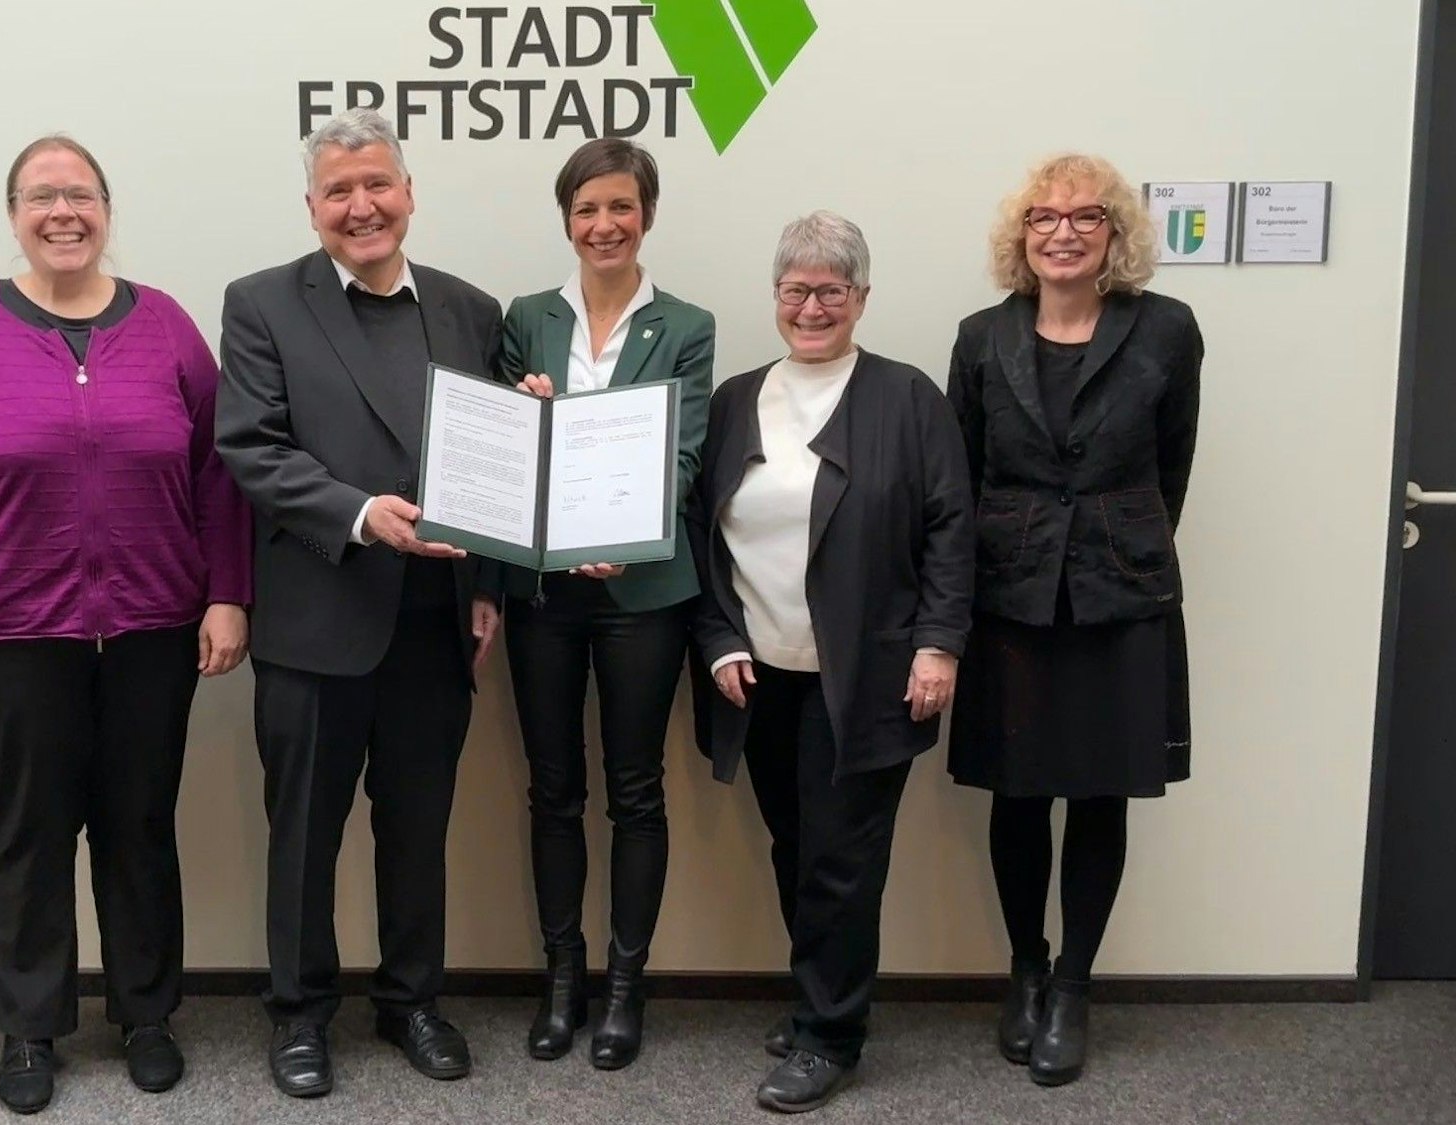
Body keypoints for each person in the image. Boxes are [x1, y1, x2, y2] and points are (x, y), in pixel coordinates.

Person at [0, 135, 252, 1113]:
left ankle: (146, 1014)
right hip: (10, 636)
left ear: (106, 210)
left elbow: (218, 474)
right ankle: (29, 1027)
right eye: (41, 196)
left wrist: (227, 592)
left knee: (139, 826)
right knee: (28, 834)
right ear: (13, 215)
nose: (63, 213)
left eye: (80, 195)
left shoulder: (165, 325)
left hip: (152, 631)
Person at [215, 108, 504, 1099]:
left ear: (409, 192)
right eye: (338, 191)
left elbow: (497, 461)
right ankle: (299, 1013)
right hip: (316, 618)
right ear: (311, 207)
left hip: (434, 620)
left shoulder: (471, 310)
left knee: (417, 829)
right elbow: (251, 447)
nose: (361, 205)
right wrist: (358, 513)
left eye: (377, 183)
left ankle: (411, 999)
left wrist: (489, 584)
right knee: (304, 835)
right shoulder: (261, 304)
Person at [689, 212, 973, 1114]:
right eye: (796, 290)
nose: (812, 308)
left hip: (870, 676)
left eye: (831, 291)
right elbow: (701, 536)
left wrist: (938, 644)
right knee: (797, 846)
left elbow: (951, 527)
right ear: (774, 296)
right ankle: (822, 997)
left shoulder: (908, 398)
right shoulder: (735, 398)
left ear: (861, 298)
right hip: (760, 671)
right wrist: (720, 638)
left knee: (843, 861)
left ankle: (830, 1035)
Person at [946, 153, 1202, 1087]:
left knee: (1102, 792)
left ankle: (1074, 986)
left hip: (1119, 593)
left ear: (1114, 233)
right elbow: (962, 473)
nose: (1063, 232)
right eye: (1044, 218)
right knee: (1017, 791)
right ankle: (1025, 966)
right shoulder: (981, 337)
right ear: (1021, 235)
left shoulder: (1167, 329)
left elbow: (1172, 465)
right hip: (1010, 592)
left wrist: (1117, 542)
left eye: (1086, 216)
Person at [494, 137, 713, 1069]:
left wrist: (628, 529)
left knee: (635, 790)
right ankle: (562, 980)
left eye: (621, 206)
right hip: (545, 591)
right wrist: (528, 410)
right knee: (552, 789)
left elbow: (683, 453)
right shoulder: (527, 317)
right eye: (586, 209)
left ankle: (625, 987)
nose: (604, 225)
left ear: (646, 215)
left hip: (643, 592)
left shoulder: (688, 324)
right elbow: (505, 450)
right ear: (567, 221)